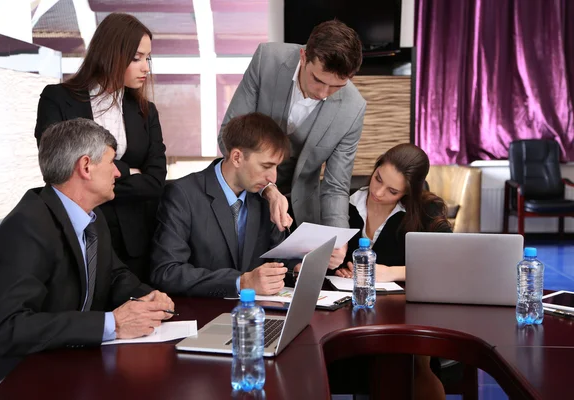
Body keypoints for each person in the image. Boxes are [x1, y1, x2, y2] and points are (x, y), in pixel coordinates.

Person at [0, 119, 174, 398]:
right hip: (18, 380)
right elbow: (7, 328)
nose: (118, 172)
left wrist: (149, 297)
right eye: (112, 162)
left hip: (66, 364)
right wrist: (112, 324)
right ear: (86, 166)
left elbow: (113, 274)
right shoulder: (27, 226)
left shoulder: (93, 216)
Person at [217, 19, 367, 271]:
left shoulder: (353, 108)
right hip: (241, 194)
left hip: (298, 213)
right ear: (303, 56)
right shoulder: (267, 60)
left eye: (337, 86)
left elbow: (335, 185)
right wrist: (268, 188)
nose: (323, 93)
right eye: (318, 80)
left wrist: (338, 238)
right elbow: (229, 137)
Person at [34, 13, 166, 283]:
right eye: (136, 58)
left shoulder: (145, 111)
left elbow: (155, 182)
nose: (145, 68)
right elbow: (61, 169)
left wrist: (100, 175)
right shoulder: (57, 99)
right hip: (75, 234)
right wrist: (130, 171)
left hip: (134, 240)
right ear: (112, 53)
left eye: (147, 58)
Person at [151, 113, 299, 297]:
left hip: (258, 313)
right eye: (265, 166)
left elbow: (280, 258)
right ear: (237, 157)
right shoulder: (183, 195)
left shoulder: (265, 197)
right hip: (203, 314)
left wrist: (299, 266)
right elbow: (167, 272)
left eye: (276, 167)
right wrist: (241, 282)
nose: (273, 178)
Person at [334, 143, 452, 281]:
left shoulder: (426, 211)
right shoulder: (343, 203)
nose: (378, 192)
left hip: (403, 299)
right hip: (349, 297)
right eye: (378, 179)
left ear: (408, 192)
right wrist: (338, 269)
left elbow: (449, 262)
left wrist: (392, 273)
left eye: (392, 191)